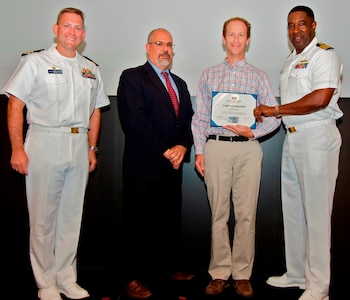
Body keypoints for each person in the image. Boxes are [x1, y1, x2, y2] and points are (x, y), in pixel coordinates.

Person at [2, 7, 110, 300]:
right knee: (43, 219)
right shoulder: (35, 62)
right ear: (55, 28)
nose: (72, 32)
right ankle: (45, 282)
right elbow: (15, 105)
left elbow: (96, 111)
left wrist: (91, 147)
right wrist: (17, 149)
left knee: (71, 218)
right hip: (43, 142)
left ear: (84, 34)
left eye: (77, 28)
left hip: (77, 145)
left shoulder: (90, 68)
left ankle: (66, 278)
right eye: (67, 26)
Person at [254, 6, 342, 300]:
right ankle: (296, 274)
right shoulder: (291, 60)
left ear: (314, 26)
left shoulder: (324, 55)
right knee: (293, 211)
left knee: (316, 215)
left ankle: (319, 286)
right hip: (292, 139)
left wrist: (276, 110)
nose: (296, 31)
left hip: (317, 138)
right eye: (291, 26)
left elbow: (320, 98)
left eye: (301, 24)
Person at [191, 17, 281, 298]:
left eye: (241, 35)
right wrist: (200, 151)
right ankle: (219, 272)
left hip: (247, 149)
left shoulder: (258, 76)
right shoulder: (209, 75)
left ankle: (242, 274)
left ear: (248, 39)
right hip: (216, 147)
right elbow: (200, 118)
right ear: (223, 38)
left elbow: (275, 116)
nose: (236, 40)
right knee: (218, 214)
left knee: (245, 214)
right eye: (231, 34)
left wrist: (253, 133)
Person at [116, 28, 194, 299]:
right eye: (159, 44)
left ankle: (166, 269)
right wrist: (165, 150)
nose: (165, 49)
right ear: (147, 47)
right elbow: (134, 121)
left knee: (167, 222)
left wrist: (183, 146)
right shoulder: (132, 77)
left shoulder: (180, 84)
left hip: (171, 167)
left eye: (170, 45)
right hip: (143, 166)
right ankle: (132, 278)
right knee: (137, 225)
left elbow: (187, 121)